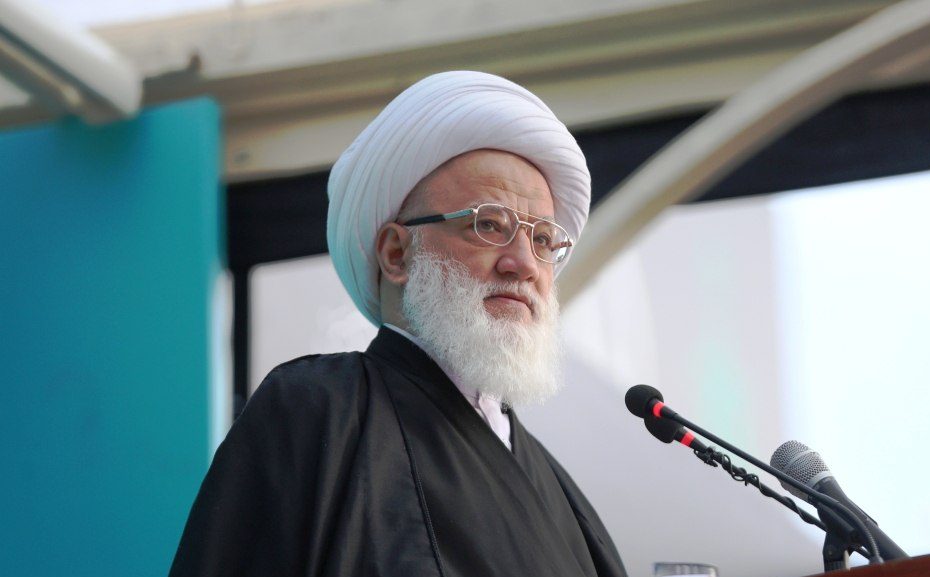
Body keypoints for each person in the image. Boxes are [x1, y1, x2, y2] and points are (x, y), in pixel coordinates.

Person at [169, 71, 627, 577]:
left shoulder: (560, 491)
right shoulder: (317, 410)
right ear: (395, 253)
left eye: (542, 240)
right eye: (488, 224)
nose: (523, 264)